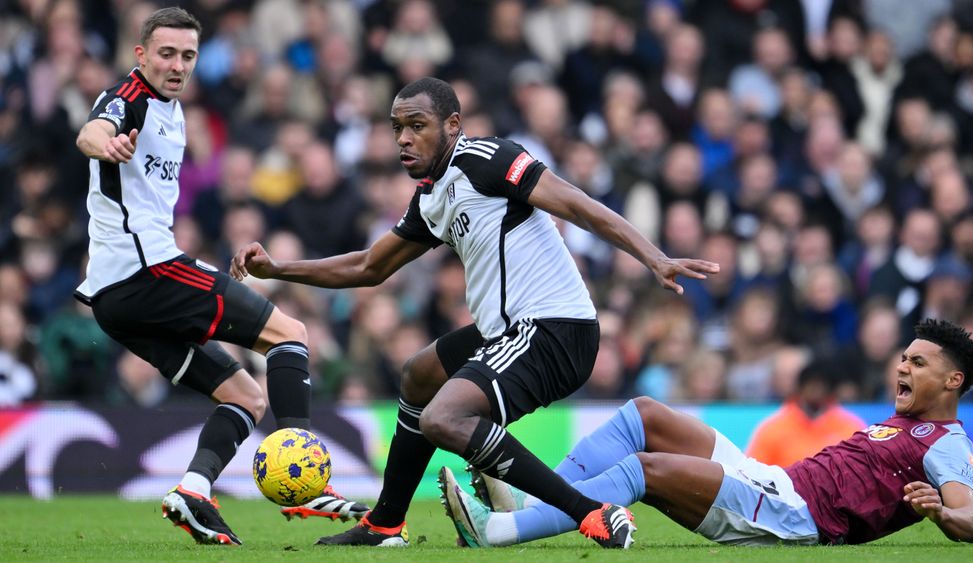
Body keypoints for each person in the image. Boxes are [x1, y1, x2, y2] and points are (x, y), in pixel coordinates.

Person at [230, 76, 720, 548]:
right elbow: (367, 266)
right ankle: (384, 525)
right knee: (419, 375)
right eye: (397, 127)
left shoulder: (487, 159)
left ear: (453, 125)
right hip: (507, 330)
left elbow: (577, 204)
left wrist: (653, 257)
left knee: (442, 419)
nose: (404, 138)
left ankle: (590, 511)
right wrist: (278, 269)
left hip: (553, 329)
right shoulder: (432, 197)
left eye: (417, 125)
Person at [73, 7, 366, 546]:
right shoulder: (131, 98)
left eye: (187, 55)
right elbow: (94, 129)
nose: (177, 64)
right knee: (291, 334)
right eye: (166, 53)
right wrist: (105, 141)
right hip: (145, 273)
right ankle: (303, 479)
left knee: (245, 397)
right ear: (141, 55)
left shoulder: (175, 110)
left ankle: (192, 490)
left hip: (120, 297)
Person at [439, 318, 973, 547]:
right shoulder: (907, 423)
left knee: (644, 473)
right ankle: (526, 508)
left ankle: (498, 533)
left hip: (796, 518)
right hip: (777, 482)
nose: (902, 369)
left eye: (918, 364)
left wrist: (939, 511)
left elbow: (971, 524)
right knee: (644, 413)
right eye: (904, 359)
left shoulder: (947, 444)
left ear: (953, 381)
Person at [745, 358, 866, 467]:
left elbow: (863, 469)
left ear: (830, 390)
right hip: (786, 490)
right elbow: (754, 474)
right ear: (800, 387)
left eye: (822, 385)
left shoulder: (850, 427)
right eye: (811, 384)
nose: (816, 390)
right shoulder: (773, 429)